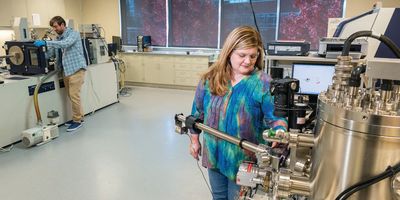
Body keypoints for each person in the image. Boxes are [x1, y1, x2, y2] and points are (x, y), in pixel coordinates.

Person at [189, 26, 287, 200]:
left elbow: (276, 117)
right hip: (215, 155)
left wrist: (279, 131)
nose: (248, 61)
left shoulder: (263, 83)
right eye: (242, 55)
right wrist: (194, 141)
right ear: (229, 52)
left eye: (253, 56)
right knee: (218, 197)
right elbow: (197, 113)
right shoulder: (211, 78)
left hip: (245, 161)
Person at [34, 16, 87, 132]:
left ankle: (77, 121)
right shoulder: (58, 39)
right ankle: (79, 117)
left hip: (76, 69)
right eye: (53, 27)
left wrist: (46, 42)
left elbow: (65, 44)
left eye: (56, 26)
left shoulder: (74, 34)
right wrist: (39, 51)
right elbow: (51, 53)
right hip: (66, 70)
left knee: (74, 96)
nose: (54, 29)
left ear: (63, 25)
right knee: (72, 96)